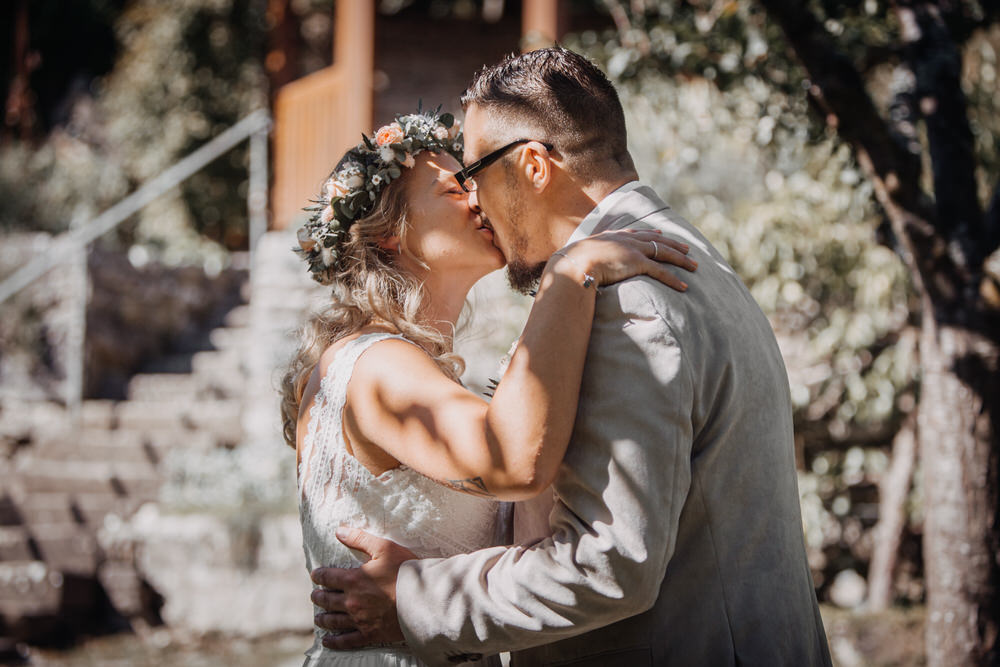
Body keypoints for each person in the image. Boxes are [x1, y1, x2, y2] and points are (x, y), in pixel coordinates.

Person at [310, 48, 833, 666]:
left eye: (472, 172)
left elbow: (611, 565)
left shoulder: (625, 297)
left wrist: (417, 597)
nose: (475, 199)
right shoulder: (684, 263)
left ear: (533, 165)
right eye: (457, 186)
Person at [281, 108, 696, 667]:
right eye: (455, 187)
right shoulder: (374, 365)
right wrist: (569, 275)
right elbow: (512, 462)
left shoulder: (413, 371)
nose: (479, 197)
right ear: (390, 232)